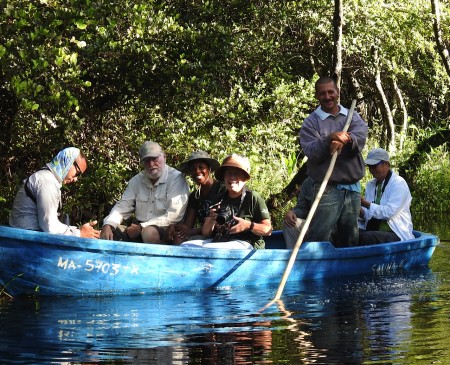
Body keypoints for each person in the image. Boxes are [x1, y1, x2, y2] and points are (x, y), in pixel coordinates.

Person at [299, 76, 368, 247]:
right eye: (322, 93)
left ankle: (346, 270)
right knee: (319, 235)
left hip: (352, 189)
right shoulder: (311, 122)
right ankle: (313, 270)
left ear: (337, 93)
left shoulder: (351, 116)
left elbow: (361, 135)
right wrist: (329, 138)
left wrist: (345, 139)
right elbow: (311, 151)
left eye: (331, 92)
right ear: (317, 96)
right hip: (326, 188)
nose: (327, 96)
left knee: (350, 237)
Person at [100, 141, 190, 243]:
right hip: (137, 228)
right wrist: (108, 224)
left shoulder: (175, 178)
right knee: (108, 232)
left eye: (155, 159)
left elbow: (174, 216)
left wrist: (142, 227)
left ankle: (156, 258)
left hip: (166, 231)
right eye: (147, 161)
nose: (151, 164)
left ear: (164, 157)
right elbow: (123, 205)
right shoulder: (136, 180)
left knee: (149, 232)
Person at [181, 154, 272, 249]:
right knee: (186, 246)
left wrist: (248, 225)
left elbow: (267, 230)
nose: (232, 177)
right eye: (229, 173)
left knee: (214, 249)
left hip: (245, 244)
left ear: (244, 178)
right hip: (220, 241)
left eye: (236, 173)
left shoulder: (253, 197)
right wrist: (211, 220)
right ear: (224, 177)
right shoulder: (218, 199)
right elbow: (206, 233)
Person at [9, 147, 100, 238]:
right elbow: (49, 225)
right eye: (77, 173)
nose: (76, 179)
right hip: (25, 241)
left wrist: (77, 230)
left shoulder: (49, 179)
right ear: (68, 161)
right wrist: (79, 233)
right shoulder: (47, 181)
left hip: (25, 238)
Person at [167, 150, 226, 244]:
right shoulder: (194, 196)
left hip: (220, 235)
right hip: (204, 235)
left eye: (201, 167)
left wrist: (193, 231)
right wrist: (174, 226)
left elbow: (222, 222)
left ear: (209, 169)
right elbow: (188, 226)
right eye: (193, 169)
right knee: (178, 238)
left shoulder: (222, 189)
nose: (197, 171)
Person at [358, 148, 414, 245]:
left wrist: (365, 204)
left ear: (386, 164)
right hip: (374, 230)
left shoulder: (398, 183)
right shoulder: (370, 185)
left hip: (395, 232)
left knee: (365, 237)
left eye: (374, 166)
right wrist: (357, 207)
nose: (371, 170)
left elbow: (389, 212)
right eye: (369, 167)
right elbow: (368, 214)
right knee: (348, 233)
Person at [282, 176, 314, 249]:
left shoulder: (337, 178)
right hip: (312, 225)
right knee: (290, 223)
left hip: (332, 226)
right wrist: (292, 212)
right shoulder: (308, 182)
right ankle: (294, 257)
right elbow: (302, 208)